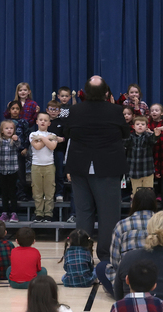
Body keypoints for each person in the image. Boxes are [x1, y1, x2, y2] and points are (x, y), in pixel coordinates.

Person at [65, 75, 131, 263]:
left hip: (80, 166)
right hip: (107, 168)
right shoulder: (115, 110)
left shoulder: (75, 110)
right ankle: (106, 258)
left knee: (83, 213)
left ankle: (81, 257)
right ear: (106, 92)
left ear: (84, 92)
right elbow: (125, 133)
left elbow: (67, 132)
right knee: (109, 215)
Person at [97, 187, 158, 296]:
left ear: (134, 203)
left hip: (128, 283)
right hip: (156, 281)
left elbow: (114, 262)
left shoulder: (121, 225)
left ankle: (121, 294)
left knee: (101, 267)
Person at [29, 113, 58, 222]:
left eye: (45, 120)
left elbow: (52, 146)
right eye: (40, 120)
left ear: (49, 123)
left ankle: (48, 214)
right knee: (37, 191)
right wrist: (46, 138)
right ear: (37, 121)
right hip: (36, 166)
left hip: (49, 166)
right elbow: (37, 146)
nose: (43, 122)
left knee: (49, 191)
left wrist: (41, 138)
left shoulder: (53, 134)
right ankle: (39, 213)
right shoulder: (33, 134)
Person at [0, 120, 22, 222]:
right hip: (1, 170)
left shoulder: (14, 140)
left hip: (12, 170)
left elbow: (19, 146)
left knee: (12, 192)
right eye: (6, 128)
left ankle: (14, 213)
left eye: (11, 128)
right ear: (2, 131)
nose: (9, 130)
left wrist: (16, 140)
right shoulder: (0, 141)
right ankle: (5, 213)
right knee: (4, 193)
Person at [125, 116, 158, 197]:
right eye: (138, 124)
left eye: (143, 124)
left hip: (147, 170)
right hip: (134, 171)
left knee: (148, 193)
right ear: (133, 126)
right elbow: (124, 144)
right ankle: (136, 208)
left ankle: (148, 209)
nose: (140, 126)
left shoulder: (149, 136)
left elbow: (153, 141)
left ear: (147, 127)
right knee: (136, 193)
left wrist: (156, 135)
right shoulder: (129, 137)